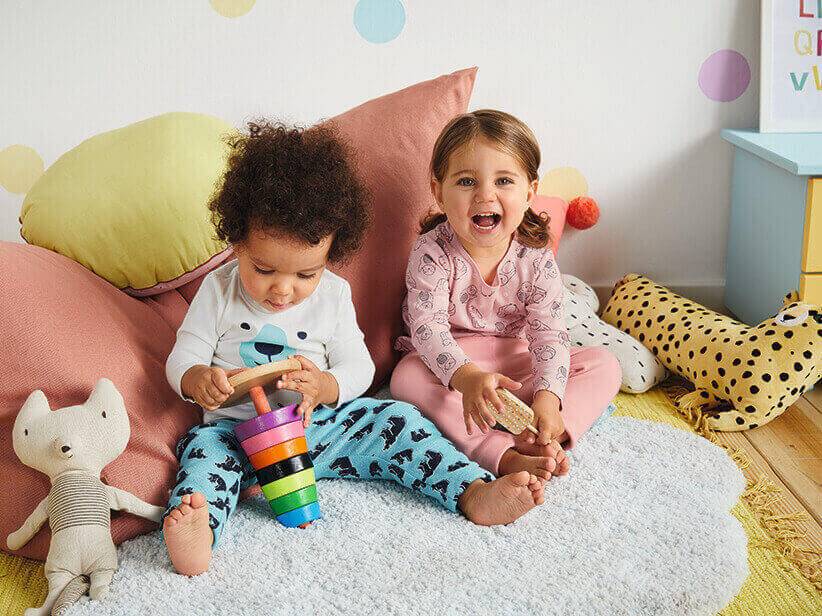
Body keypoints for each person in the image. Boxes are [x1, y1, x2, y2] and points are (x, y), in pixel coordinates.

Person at [162, 120, 546, 576]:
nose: (283, 290)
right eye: (264, 269)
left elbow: (358, 368)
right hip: (236, 437)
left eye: (306, 274)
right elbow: (182, 357)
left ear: (329, 254)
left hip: (317, 431)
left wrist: (326, 386)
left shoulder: (334, 294)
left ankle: (471, 490)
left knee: (396, 420)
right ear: (237, 243)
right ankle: (199, 533)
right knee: (201, 458)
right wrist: (195, 379)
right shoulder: (218, 291)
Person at [391, 110, 622, 481]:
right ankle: (500, 451)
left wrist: (548, 396)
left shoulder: (535, 256)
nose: (485, 195)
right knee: (406, 379)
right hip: (454, 366)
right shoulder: (432, 252)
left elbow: (549, 334)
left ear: (530, 192)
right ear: (438, 191)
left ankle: (549, 433)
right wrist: (465, 377)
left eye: (503, 181)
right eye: (466, 181)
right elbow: (427, 329)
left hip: (517, 367)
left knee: (604, 364)